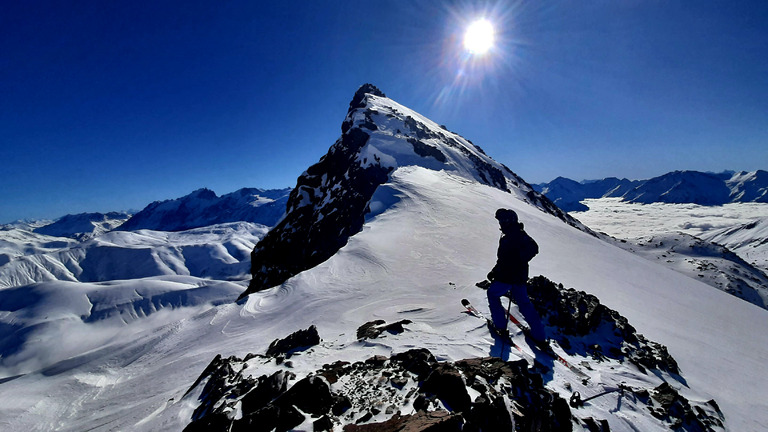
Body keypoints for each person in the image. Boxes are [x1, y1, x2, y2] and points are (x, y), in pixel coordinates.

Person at [486, 208, 546, 343]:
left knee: (493, 294)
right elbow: (532, 249)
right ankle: (539, 336)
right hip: (519, 277)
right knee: (524, 304)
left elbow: (505, 259)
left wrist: (510, 264)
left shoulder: (510, 237)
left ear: (508, 221)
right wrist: (517, 262)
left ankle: (500, 327)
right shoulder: (519, 234)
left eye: (502, 220)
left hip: (506, 277)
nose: (500, 223)